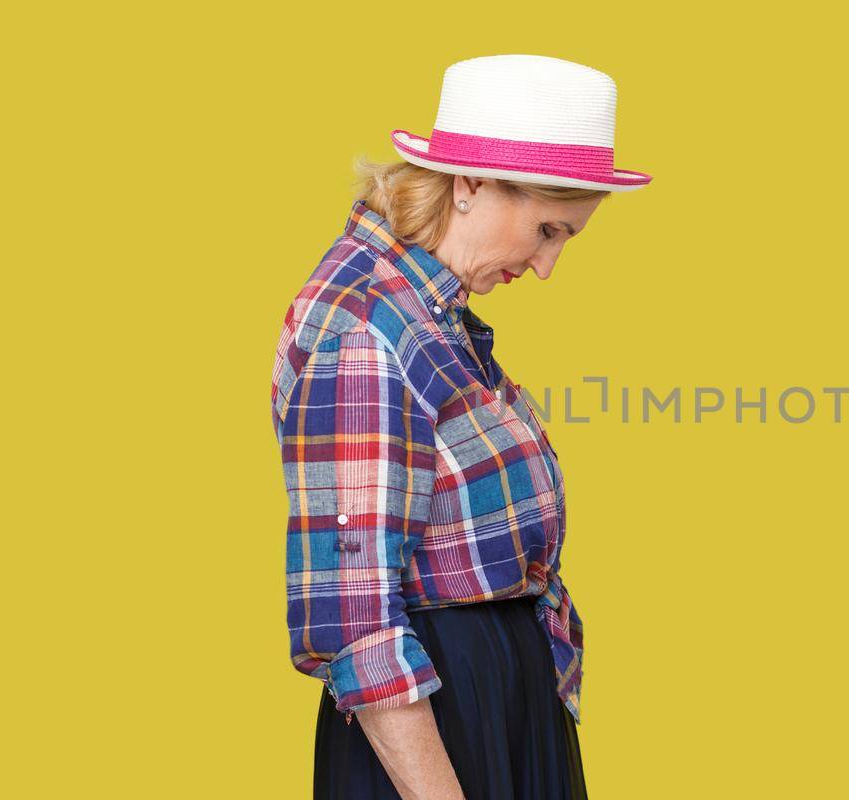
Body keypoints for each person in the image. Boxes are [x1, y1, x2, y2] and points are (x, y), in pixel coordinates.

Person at [269, 54, 652, 799]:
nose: (547, 267)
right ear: (469, 182)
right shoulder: (364, 328)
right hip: (439, 727)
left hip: (487, 702)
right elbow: (355, 616)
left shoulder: (429, 320)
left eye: (564, 238)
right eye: (546, 229)